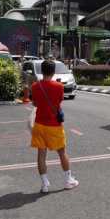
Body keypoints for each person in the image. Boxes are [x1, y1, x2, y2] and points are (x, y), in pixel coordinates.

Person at [31, 59, 78, 193]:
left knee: (41, 155)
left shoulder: (35, 86)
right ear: (53, 72)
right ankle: (68, 180)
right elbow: (59, 102)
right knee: (62, 153)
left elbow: (35, 104)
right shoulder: (59, 87)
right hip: (54, 126)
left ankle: (44, 184)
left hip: (39, 124)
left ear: (41, 71)